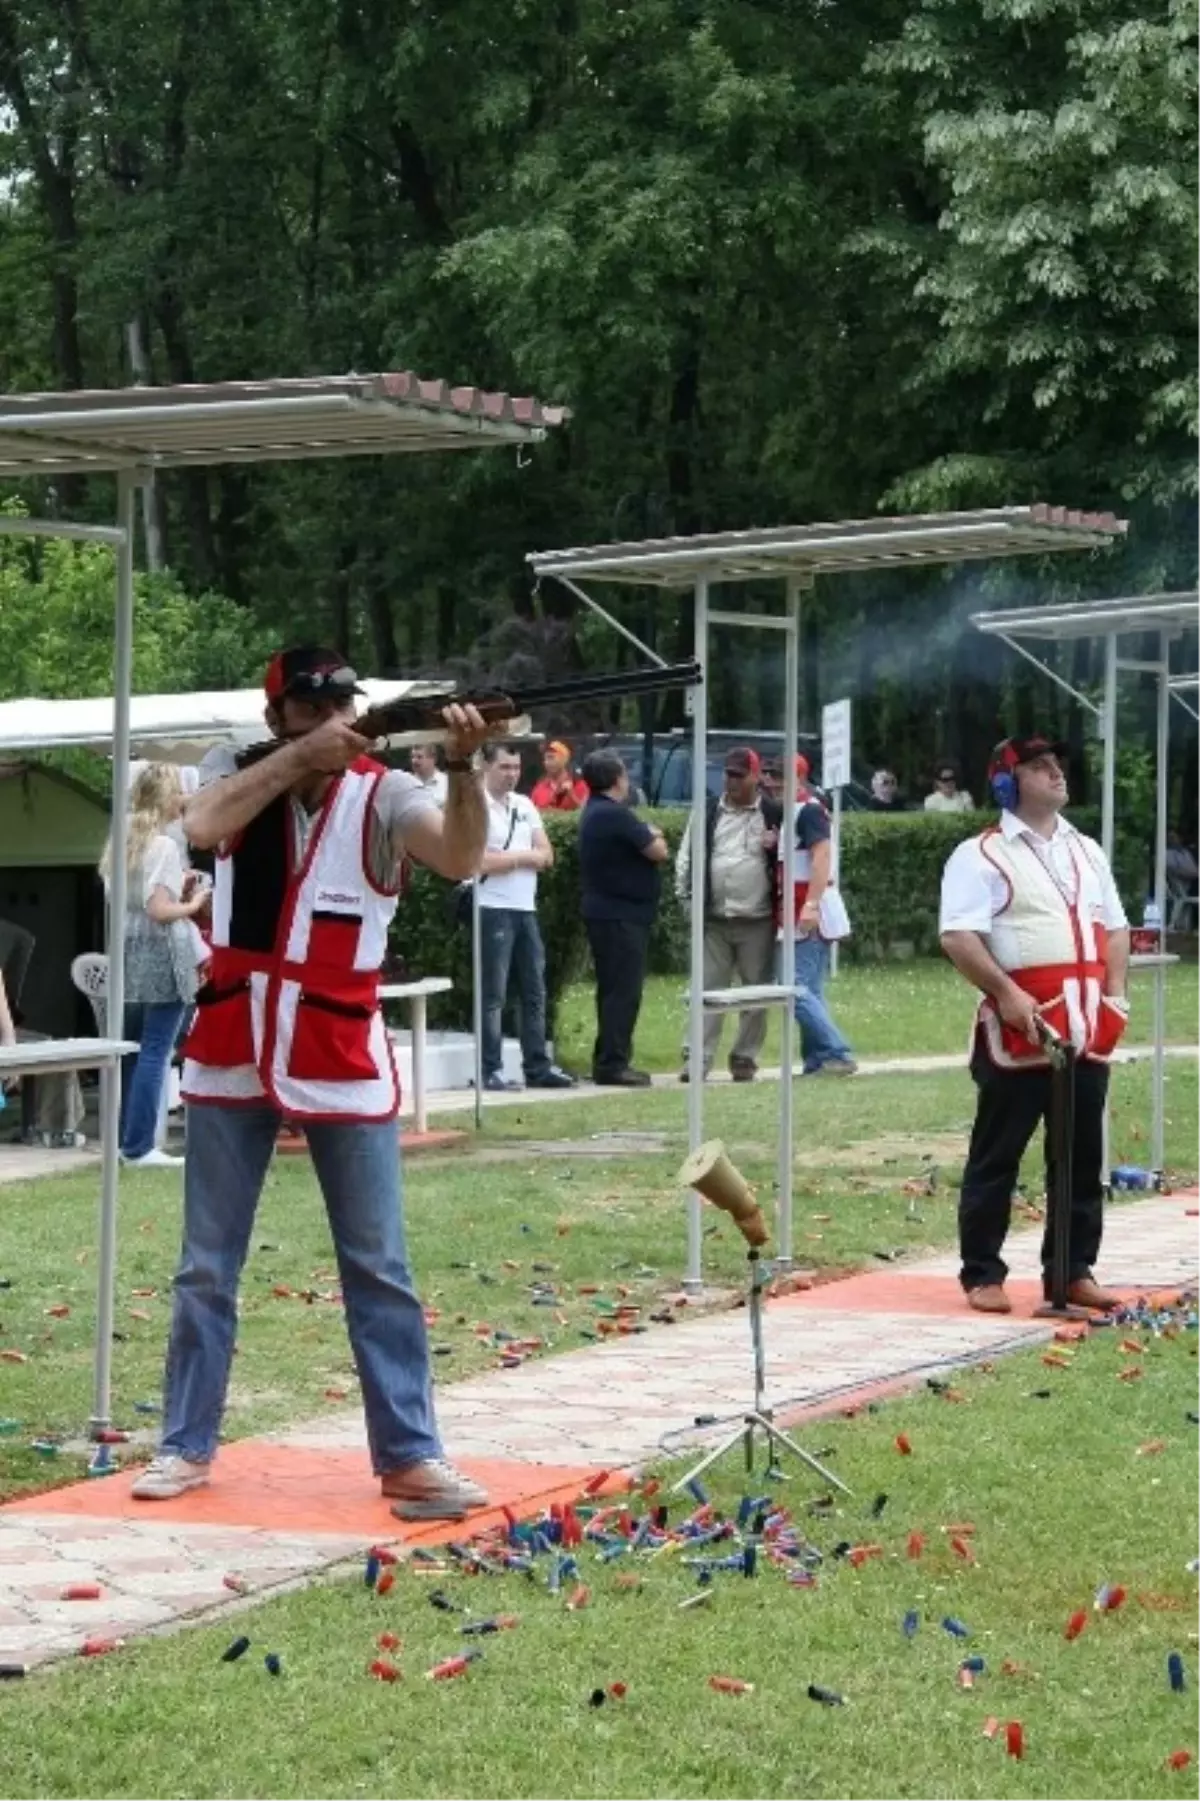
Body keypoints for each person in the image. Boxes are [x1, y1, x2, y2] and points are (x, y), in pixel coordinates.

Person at [131, 645, 497, 1520]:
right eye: (311, 704)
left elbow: (459, 855)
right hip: (232, 1044)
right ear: (277, 718)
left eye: (343, 701)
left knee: (380, 1266)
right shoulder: (237, 767)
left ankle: (411, 1456)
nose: (333, 714)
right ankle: (185, 1443)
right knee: (204, 1268)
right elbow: (202, 825)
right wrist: (301, 758)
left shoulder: (382, 790)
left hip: (338, 1055)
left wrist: (463, 766)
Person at [939, 735, 1130, 1316]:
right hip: (1019, 1027)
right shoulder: (979, 854)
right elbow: (958, 937)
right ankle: (982, 1273)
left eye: (1056, 766)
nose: (1056, 774)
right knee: (999, 1153)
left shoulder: (1087, 851)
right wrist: (1007, 993)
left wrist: (1115, 998)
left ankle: (1072, 1270)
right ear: (1007, 782)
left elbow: (1115, 929)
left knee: (1080, 1157)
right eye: (1040, 767)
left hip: (1085, 1027)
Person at [100, 763, 209, 1170]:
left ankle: (125, 1139)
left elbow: (128, 901)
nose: (183, 799)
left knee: (129, 1050)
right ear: (165, 797)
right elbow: (160, 910)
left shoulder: (121, 839)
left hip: (127, 949)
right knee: (156, 1051)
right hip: (163, 951)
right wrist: (194, 904)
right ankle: (141, 1146)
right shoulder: (162, 845)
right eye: (178, 792)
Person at [675, 747, 780, 1082]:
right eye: (728, 774)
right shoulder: (706, 811)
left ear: (756, 776)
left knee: (756, 992)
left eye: (739, 775)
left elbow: (792, 857)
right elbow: (687, 858)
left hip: (758, 919)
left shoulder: (774, 812)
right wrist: (688, 903)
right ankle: (698, 1059)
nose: (731, 781)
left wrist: (776, 844)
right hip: (714, 919)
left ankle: (745, 1058)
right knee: (707, 990)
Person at [477, 743, 575, 1093]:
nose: (512, 774)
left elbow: (547, 855)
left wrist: (510, 857)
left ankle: (537, 1065)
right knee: (493, 994)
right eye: (504, 767)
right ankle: (490, 1067)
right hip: (491, 906)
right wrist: (524, 857)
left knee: (534, 990)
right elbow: (480, 862)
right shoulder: (475, 807)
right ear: (486, 767)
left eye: (516, 768)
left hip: (525, 907)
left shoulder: (525, 804)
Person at [578, 748, 668, 1086]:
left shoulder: (595, 812)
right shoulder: (616, 815)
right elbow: (656, 850)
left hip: (608, 913)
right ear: (617, 779)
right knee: (623, 991)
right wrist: (654, 831)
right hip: (620, 915)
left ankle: (608, 1057)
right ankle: (613, 1063)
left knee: (612, 988)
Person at [777, 758, 857, 1077]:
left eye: (779, 775)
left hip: (808, 908)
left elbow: (821, 857)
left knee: (795, 988)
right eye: (769, 774)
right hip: (801, 907)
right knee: (809, 989)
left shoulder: (808, 810)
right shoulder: (797, 811)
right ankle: (819, 1057)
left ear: (799, 777)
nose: (771, 781)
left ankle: (836, 1051)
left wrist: (810, 905)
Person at [530, 740, 588, 811]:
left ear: (563, 760)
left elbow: (587, 814)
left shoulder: (579, 785)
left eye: (551, 758)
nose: (546, 763)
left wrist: (571, 795)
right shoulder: (539, 787)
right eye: (545, 759)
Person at [410, 743, 448, 807]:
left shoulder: (446, 782)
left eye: (419, 757)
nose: (414, 761)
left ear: (433, 759)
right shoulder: (407, 784)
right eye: (412, 757)